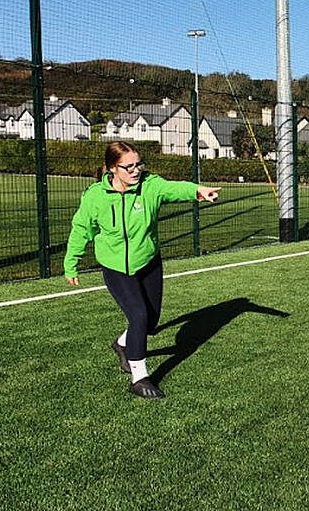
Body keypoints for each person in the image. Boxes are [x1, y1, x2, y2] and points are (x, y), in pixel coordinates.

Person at [64, 141, 221, 399]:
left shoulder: (150, 186)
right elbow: (81, 230)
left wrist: (198, 192)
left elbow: (174, 188)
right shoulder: (95, 196)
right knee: (138, 316)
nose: (136, 171)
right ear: (113, 169)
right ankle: (140, 377)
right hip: (116, 267)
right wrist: (72, 263)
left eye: (138, 164)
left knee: (150, 320)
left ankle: (123, 343)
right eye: (129, 167)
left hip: (149, 262)